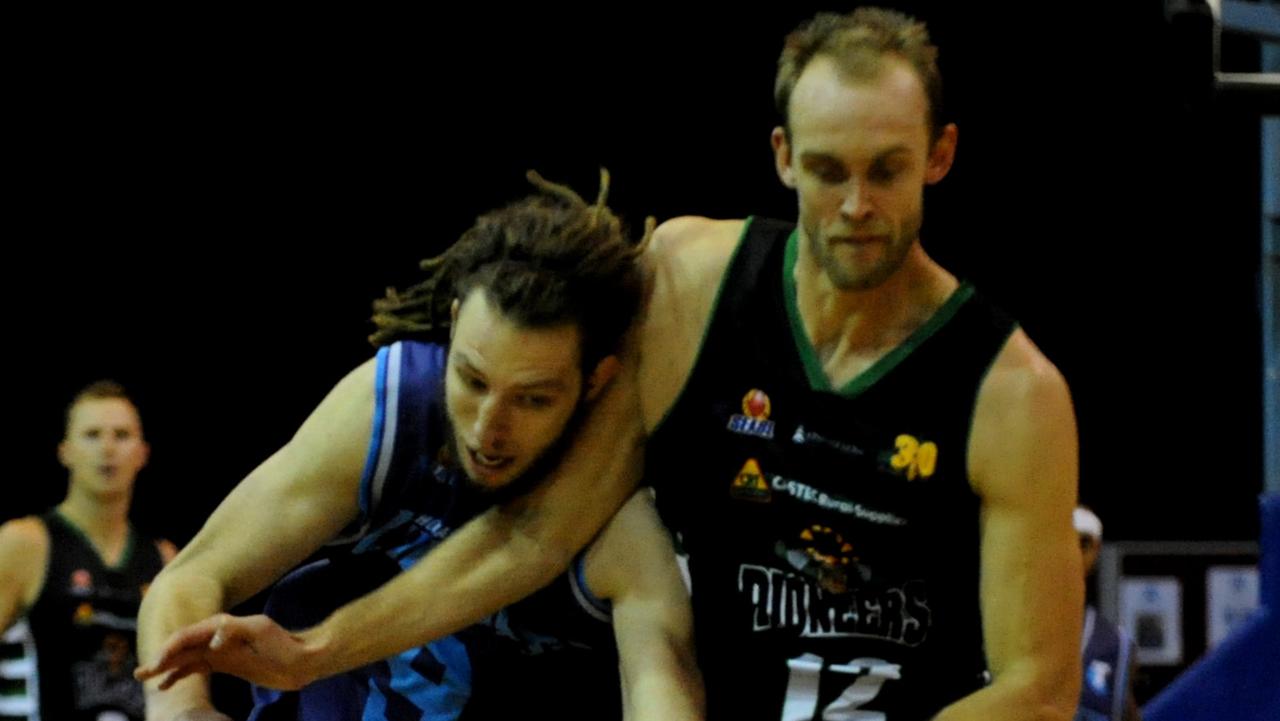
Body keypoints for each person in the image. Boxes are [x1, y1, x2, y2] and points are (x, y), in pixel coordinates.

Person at [142, 7, 1084, 719]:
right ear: (784, 156)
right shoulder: (685, 285)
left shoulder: (1013, 393)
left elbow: (1040, 687)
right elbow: (533, 538)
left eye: (887, 168)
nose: (856, 204)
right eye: (831, 169)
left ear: (941, 156)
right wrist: (314, 652)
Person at [135, 171, 702, 721]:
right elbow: (193, 575)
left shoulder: (622, 517)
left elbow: (663, 682)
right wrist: (182, 709)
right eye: (472, 380)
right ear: (453, 327)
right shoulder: (393, 409)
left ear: (595, 382)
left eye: (532, 400)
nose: (487, 427)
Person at [0, 380, 177, 721]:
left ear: (143, 453)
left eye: (121, 435)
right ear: (65, 451)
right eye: (92, 434)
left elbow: (178, 689)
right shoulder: (25, 543)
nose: (107, 448)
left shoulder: (164, 560)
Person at [1073, 506, 1141, 721]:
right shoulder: (1010, 632)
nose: (1072, 552)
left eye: (1083, 543)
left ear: (1095, 549)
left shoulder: (1116, 645)